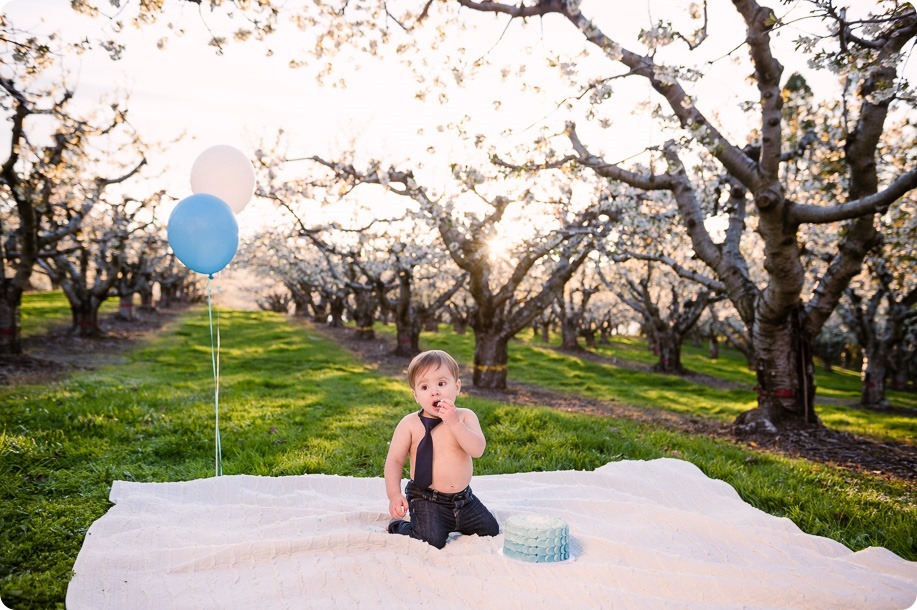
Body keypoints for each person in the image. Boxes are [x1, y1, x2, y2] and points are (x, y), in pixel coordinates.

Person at [384, 349, 499, 549]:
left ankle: (453, 521)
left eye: (442, 384)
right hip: (426, 497)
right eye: (425, 386)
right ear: (416, 395)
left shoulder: (464, 417)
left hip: (464, 499)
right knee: (431, 539)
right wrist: (394, 495)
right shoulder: (409, 424)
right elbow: (394, 461)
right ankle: (400, 526)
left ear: (457, 387)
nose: (434, 391)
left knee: (490, 529)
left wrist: (454, 423)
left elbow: (477, 450)